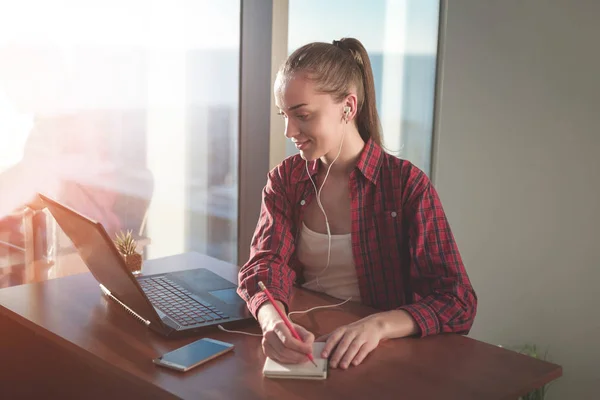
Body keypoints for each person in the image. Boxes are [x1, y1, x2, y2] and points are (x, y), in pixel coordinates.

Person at [237, 37, 477, 370]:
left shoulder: (406, 187)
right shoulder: (286, 181)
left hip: (378, 359)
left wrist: (378, 325)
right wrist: (273, 321)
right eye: (284, 115)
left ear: (348, 108)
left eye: (302, 115)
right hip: (311, 350)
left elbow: (457, 299)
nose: (289, 131)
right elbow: (265, 265)